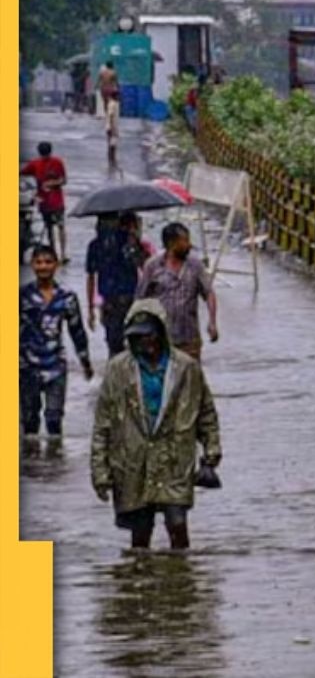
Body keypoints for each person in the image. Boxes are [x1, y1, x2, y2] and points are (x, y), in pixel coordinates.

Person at [91, 298, 221, 550]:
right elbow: (102, 424)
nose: (144, 343)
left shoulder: (186, 368)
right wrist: (100, 472)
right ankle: (141, 583)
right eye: (137, 337)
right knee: (140, 534)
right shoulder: (118, 370)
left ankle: (182, 582)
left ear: (161, 332)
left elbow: (206, 412)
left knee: (177, 525)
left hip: (174, 458)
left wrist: (211, 450)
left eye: (148, 335)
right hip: (132, 460)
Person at [20, 245, 93, 437]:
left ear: (56, 265)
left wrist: (85, 362)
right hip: (27, 365)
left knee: (54, 419)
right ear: (32, 265)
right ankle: (34, 465)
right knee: (29, 421)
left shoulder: (67, 297)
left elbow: (76, 330)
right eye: (39, 262)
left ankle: (55, 458)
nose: (43, 267)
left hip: (56, 365)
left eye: (48, 262)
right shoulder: (22, 296)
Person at [136, 223, 218, 362]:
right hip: (160, 339)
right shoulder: (153, 266)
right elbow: (140, 300)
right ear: (172, 243)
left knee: (189, 380)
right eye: (185, 241)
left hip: (189, 339)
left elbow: (209, 293)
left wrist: (212, 322)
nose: (189, 245)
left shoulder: (195, 266)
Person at [86, 211, 150, 358]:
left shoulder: (97, 245)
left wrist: (91, 309)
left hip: (117, 301)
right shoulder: (125, 242)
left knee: (116, 346)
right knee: (129, 344)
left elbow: (91, 278)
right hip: (122, 300)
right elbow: (145, 267)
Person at [20, 141, 68, 262]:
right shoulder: (35, 164)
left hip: (56, 202)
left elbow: (63, 180)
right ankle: (56, 253)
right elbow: (21, 172)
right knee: (50, 228)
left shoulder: (57, 162)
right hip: (45, 202)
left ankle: (63, 253)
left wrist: (52, 183)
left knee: (59, 226)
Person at [98, 61, 120, 167]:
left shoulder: (102, 72)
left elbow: (100, 81)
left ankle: (108, 115)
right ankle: (110, 119)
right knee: (112, 105)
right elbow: (116, 82)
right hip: (111, 89)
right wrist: (117, 89)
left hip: (103, 89)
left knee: (106, 105)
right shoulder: (113, 73)